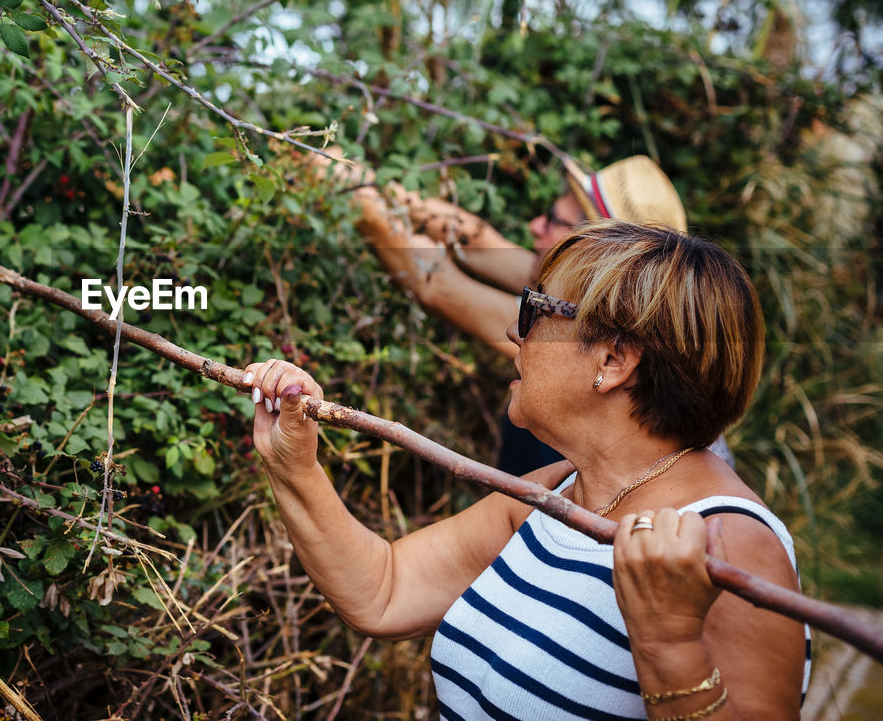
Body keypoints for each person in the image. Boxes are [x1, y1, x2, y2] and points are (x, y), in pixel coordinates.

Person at [240, 221, 808, 719]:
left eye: (535, 310)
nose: (516, 332)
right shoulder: (559, 493)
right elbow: (385, 591)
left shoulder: (728, 542)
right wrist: (295, 465)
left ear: (612, 360)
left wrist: (670, 644)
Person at [309, 150, 733, 474]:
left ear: (595, 254)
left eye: (554, 220)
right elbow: (479, 241)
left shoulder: (573, 330)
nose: (534, 225)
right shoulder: (594, 300)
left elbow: (436, 284)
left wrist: (362, 203)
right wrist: (401, 199)